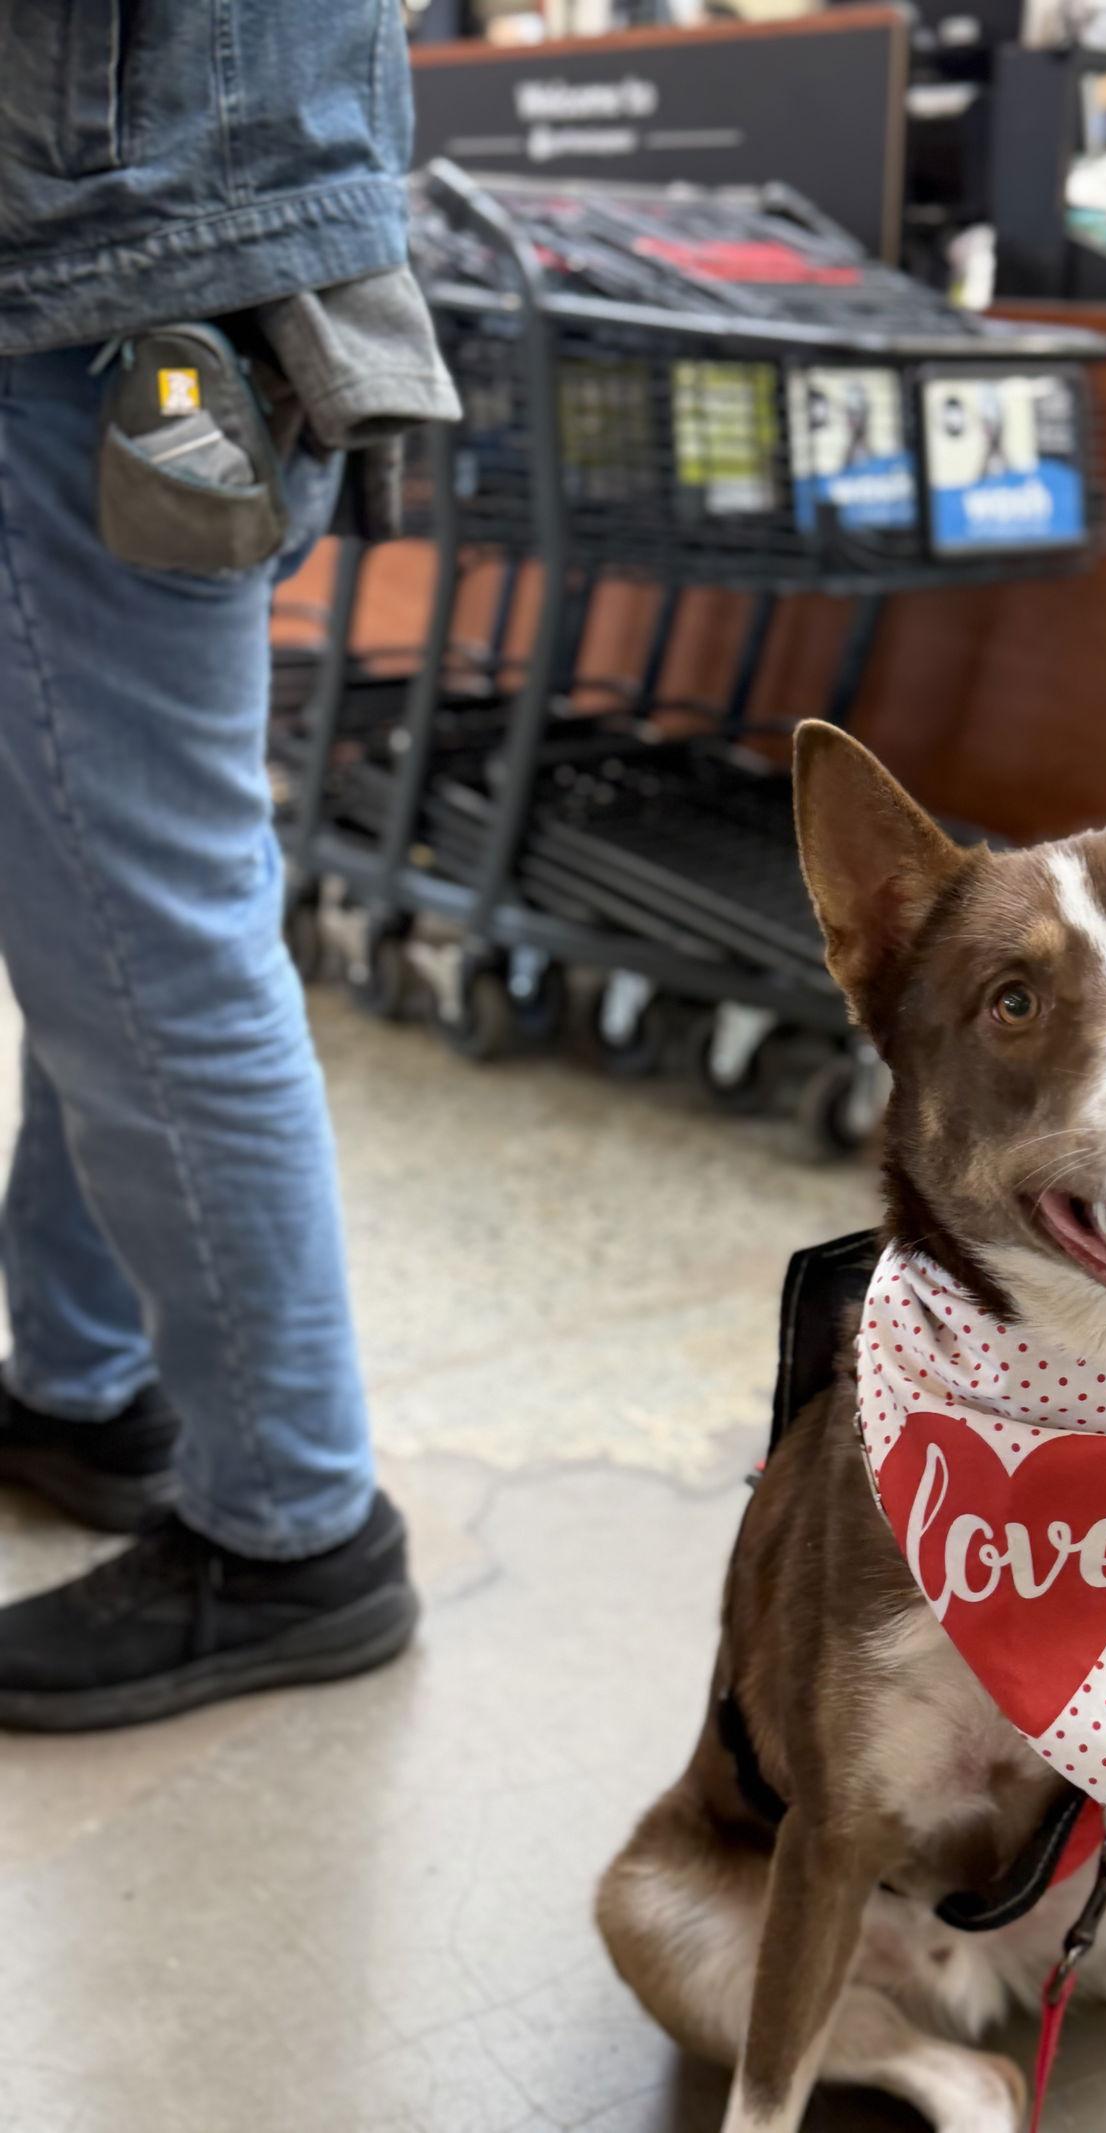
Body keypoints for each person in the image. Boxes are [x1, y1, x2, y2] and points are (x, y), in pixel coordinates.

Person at [0, 0, 451, 1730]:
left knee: (148, 941)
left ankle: (289, 1527)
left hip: (109, 265)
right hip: (209, 238)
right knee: (101, 901)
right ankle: (87, 1384)